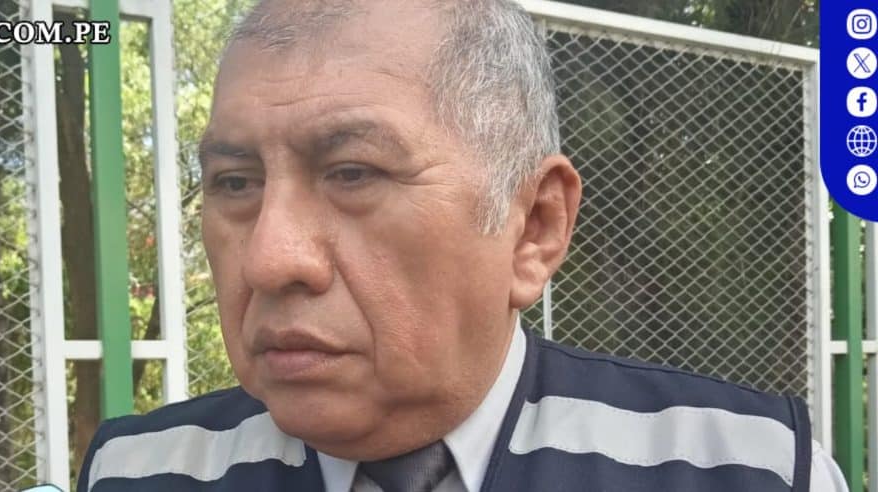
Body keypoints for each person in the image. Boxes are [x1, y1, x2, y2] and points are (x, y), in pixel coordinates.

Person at [77, 0, 848, 491]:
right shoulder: (138, 473)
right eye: (236, 183)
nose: (269, 259)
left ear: (535, 227)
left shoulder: (744, 469)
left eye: (352, 172)